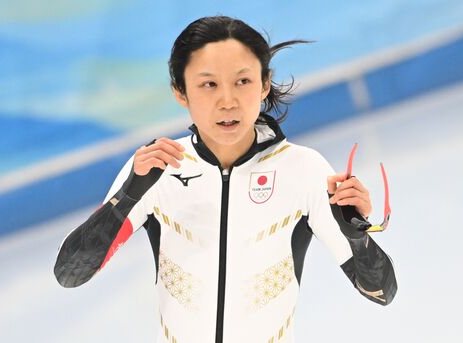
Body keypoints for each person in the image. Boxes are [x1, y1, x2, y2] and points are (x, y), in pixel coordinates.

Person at [53, 15, 397, 343]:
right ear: (180, 92)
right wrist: (129, 195)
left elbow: (382, 292)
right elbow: (70, 274)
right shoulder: (157, 169)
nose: (227, 101)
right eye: (209, 84)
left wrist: (358, 239)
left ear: (264, 84)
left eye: (242, 81)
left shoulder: (304, 170)